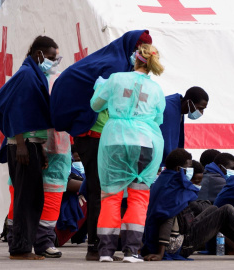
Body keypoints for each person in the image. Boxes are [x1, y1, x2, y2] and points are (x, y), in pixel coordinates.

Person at [51, 30, 152, 261]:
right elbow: (100, 102)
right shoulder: (114, 66)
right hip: (94, 136)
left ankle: (101, 247)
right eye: (139, 49)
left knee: (103, 191)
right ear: (132, 48)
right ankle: (96, 248)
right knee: (98, 191)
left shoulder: (119, 65)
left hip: (100, 138)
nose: (140, 54)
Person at [0, 36, 59, 260]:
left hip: (30, 144)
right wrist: (20, 144)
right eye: (51, 57)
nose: (54, 62)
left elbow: (31, 115)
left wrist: (41, 148)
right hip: (22, 145)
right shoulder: (27, 75)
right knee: (25, 199)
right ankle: (20, 249)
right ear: (39, 55)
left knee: (32, 197)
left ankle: (23, 247)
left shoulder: (34, 75)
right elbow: (15, 110)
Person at [90, 43, 165, 263]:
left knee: (111, 197)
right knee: (138, 198)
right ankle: (132, 251)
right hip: (144, 143)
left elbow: (95, 105)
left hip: (114, 141)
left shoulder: (115, 79)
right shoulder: (156, 89)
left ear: (134, 59)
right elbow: (158, 119)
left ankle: (105, 252)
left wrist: (100, 89)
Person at [160, 87, 209, 165]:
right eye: (200, 108)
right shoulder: (167, 108)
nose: (201, 112)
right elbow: (164, 141)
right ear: (189, 102)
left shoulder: (179, 108)